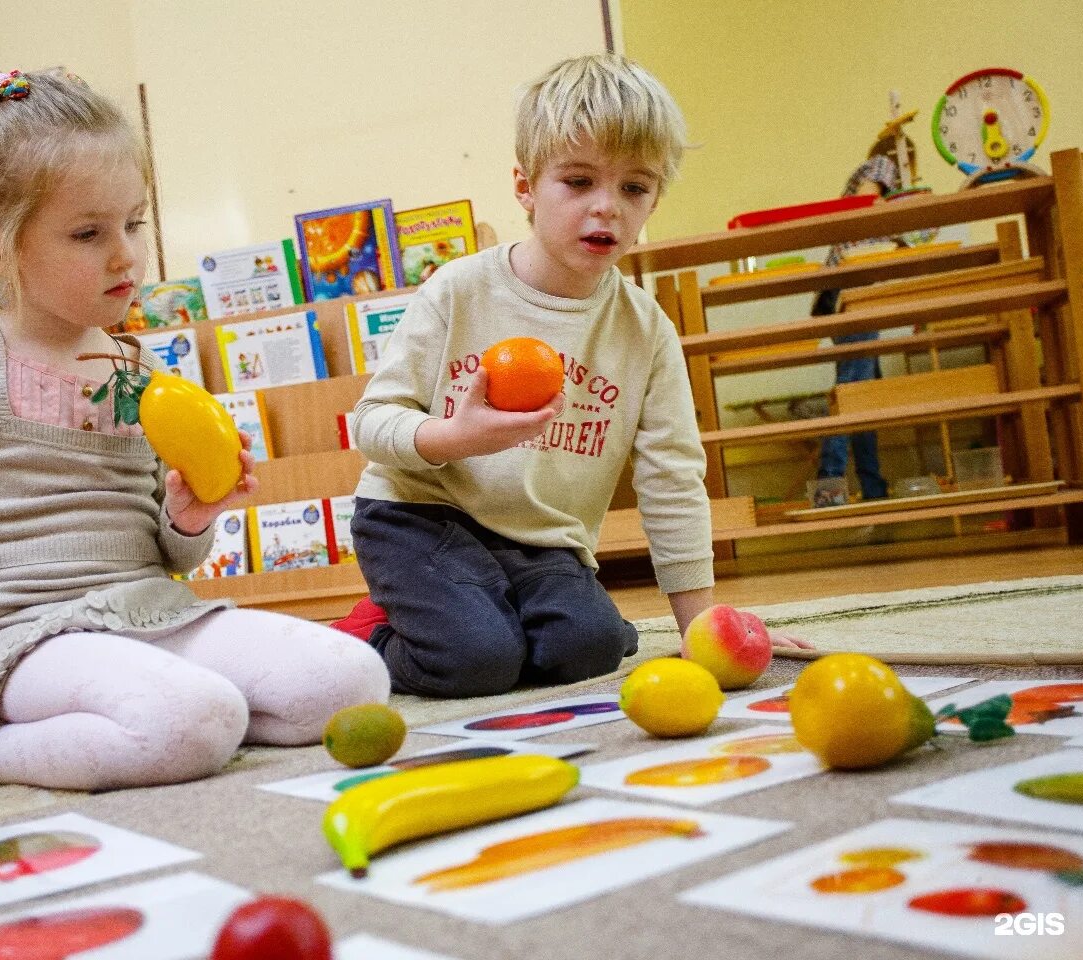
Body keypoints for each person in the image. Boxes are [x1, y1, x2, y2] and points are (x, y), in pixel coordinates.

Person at [0, 69, 387, 807]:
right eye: (89, 233)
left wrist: (192, 517)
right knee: (194, 720)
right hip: (17, 643)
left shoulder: (140, 368)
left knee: (352, 677)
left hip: (149, 611)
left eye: (134, 221)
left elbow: (173, 554)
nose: (126, 254)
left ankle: (162, 721)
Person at [332, 54, 809, 698]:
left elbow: (672, 474)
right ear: (526, 186)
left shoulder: (645, 330)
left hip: (540, 539)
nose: (607, 208)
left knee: (591, 648)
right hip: (417, 515)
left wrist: (701, 625)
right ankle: (368, 635)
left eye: (635, 188)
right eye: (579, 182)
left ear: (654, 199)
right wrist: (454, 438)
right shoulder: (459, 290)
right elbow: (370, 423)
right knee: (477, 662)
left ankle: (492, 613)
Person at [812, 142, 912, 504]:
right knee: (853, 393)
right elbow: (869, 204)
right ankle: (830, 485)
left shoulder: (865, 176)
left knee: (863, 397)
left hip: (847, 291)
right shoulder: (883, 165)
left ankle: (873, 487)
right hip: (856, 289)